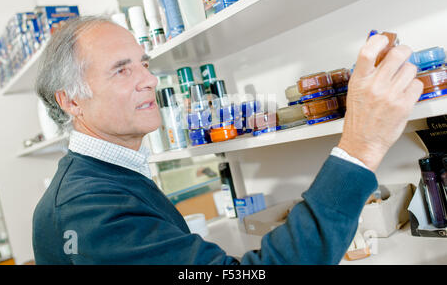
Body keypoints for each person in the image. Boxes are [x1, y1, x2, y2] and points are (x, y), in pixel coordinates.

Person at [32, 16, 422, 264]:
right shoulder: (89, 207)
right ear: (71, 101)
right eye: (121, 70)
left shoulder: (110, 176)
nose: (149, 79)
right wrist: (361, 146)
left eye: (144, 63)